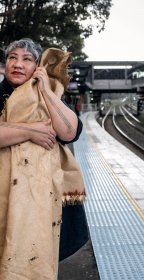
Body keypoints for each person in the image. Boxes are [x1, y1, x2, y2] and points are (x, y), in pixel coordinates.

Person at [0, 38, 85, 279]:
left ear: (37, 66)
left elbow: (68, 132)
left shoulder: (52, 94)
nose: (17, 64)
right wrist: (30, 130)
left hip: (41, 196)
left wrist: (46, 90)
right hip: (4, 192)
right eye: (12, 58)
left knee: (34, 253)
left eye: (27, 59)